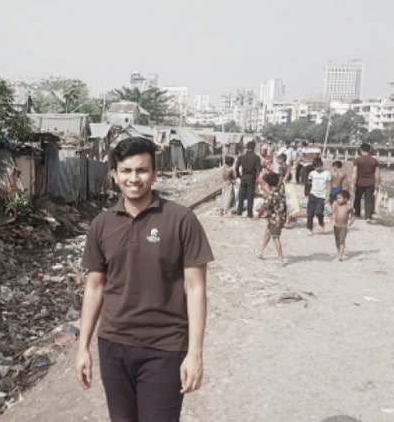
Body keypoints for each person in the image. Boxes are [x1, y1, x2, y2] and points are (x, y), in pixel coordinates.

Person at [75, 137, 214, 422]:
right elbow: (95, 287)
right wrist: (82, 347)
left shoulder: (181, 220)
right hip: (113, 345)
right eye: (126, 171)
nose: (134, 178)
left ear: (154, 173)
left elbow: (196, 288)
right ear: (114, 175)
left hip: (165, 347)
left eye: (141, 170)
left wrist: (195, 353)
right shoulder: (101, 225)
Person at [256, 172, 287, 267]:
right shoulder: (281, 189)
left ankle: (280, 259)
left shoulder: (271, 195)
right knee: (268, 232)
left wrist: (259, 214)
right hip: (281, 217)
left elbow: (264, 207)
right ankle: (261, 251)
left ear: (269, 184)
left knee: (275, 237)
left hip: (275, 219)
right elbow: (281, 179)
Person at [351, 143, 381, 222]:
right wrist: (378, 184)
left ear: (361, 150)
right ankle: (368, 217)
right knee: (369, 200)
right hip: (370, 183)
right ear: (369, 150)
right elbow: (377, 174)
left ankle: (357, 214)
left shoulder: (357, 160)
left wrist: (353, 183)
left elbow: (354, 173)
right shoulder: (374, 161)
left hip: (359, 182)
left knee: (357, 198)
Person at [235, 141, 261, 218]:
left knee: (241, 195)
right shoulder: (256, 157)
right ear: (254, 148)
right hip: (251, 178)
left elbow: (236, 167)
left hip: (243, 177)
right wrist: (256, 177)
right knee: (250, 196)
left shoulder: (241, 157)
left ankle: (239, 211)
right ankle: (249, 213)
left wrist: (238, 176)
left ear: (246, 147)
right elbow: (258, 169)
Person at [329, 190, 357, 261]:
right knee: (337, 240)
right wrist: (329, 214)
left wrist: (351, 222)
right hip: (336, 226)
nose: (338, 200)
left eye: (339, 198)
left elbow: (353, 216)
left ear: (346, 199)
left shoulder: (348, 207)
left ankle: (340, 255)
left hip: (344, 227)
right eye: (337, 198)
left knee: (342, 240)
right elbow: (332, 212)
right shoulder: (336, 205)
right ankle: (338, 251)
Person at [306, 157, 331, 235]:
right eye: (316, 167)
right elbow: (309, 183)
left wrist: (328, 196)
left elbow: (329, 185)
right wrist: (307, 193)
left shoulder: (327, 174)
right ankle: (310, 229)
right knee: (310, 213)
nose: (317, 168)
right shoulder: (312, 173)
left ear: (321, 165)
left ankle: (321, 223)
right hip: (313, 194)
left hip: (322, 195)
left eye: (319, 166)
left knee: (318, 212)